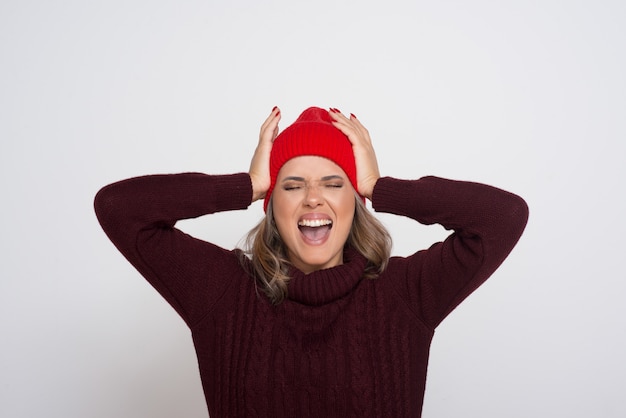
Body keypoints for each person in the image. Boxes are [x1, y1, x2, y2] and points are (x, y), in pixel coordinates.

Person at [94, 106, 528, 417]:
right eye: (292, 185)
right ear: (272, 204)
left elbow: (503, 217)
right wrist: (246, 185)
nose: (313, 198)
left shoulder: (404, 294)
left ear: (354, 201)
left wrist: (381, 186)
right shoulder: (225, 292)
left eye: (334, 183)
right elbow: (118, 207)